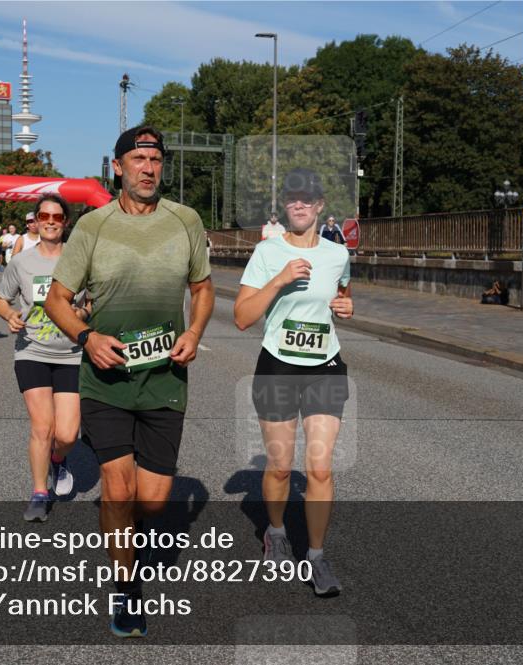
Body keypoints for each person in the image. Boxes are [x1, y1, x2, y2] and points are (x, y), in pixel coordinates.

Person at [45, 125, 214, 638]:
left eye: (156, 159)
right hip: (106, 378)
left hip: (165, 376)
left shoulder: (185, 220)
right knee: (119, 490)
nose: (148, 167)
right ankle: (125, 589)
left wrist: (194, 329)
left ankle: (127, 527)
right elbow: (56, 299)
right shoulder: (93, 226)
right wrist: (86, 336)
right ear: (117, 166)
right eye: (138, 158)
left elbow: (203, 288)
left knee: (155, 501)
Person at [234, 167, 353, 598]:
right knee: (281, 466)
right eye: (292, 198)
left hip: (325, 366)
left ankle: (317, 557)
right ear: (286, 206)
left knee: (319, 467)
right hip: (278, 365)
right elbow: (243, 318)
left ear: (320, 205)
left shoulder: (338, 254)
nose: (299, 204)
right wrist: (281, 278)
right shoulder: (266, 252)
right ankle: (277, 531)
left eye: (307, 198)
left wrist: (344, 305)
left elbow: (341, 292)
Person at [0, 195, 87, 522]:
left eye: (57, 216)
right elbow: (1, 299)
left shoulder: (79, 261)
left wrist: (81, 311)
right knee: (42, 427)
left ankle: (58, 461)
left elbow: (93, 304)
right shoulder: (21, 262)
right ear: (36, 220)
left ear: (65, 222)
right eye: (44, 215)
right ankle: (38, 493)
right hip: (31, 350)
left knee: (67, 435)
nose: (50, 221)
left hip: (72, 354)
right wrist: (9, 315)